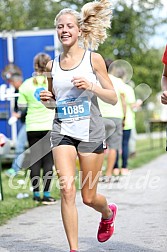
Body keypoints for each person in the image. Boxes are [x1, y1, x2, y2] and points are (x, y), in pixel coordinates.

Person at [40, 0, 118, 251]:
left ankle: (107, 213)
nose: (64, 30)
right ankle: (74, 249)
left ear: (79, 30)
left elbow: (112, 97)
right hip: (62, 130)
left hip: (90, 131)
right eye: (60, 26)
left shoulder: (93, 59)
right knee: (67, 190)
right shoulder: (52, 65)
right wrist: (48, 100)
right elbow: (54, 103)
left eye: (69, 26)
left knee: (88, 197)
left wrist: (92, 86)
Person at [18, 53, 56, 205]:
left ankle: (35, 193)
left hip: (32, 126)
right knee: (48, 161)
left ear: (35, 65)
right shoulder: (51, 82)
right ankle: (46, 194)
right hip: (49, 125)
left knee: (35, 160)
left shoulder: (26, 84)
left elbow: (21, 107)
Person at [98, 59, 126, 182]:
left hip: (100, 117)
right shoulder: (118, 81)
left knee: (99, 147)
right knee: (114, 147)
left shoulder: (96, 80)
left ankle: (97, 175)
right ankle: (109, 174)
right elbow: (123, 101)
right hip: (116, 116)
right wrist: (124, 116)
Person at [4, 73, 28, 177]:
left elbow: (28, 105)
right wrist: (15, 112)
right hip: (25, 122)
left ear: (18, 81)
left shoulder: (25, 89)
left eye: (13, 83)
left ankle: (15, 169)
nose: (12, 85)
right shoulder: (16, 91)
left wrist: (19, 114)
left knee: (19, 145)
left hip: (30, 121)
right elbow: (16, 106)